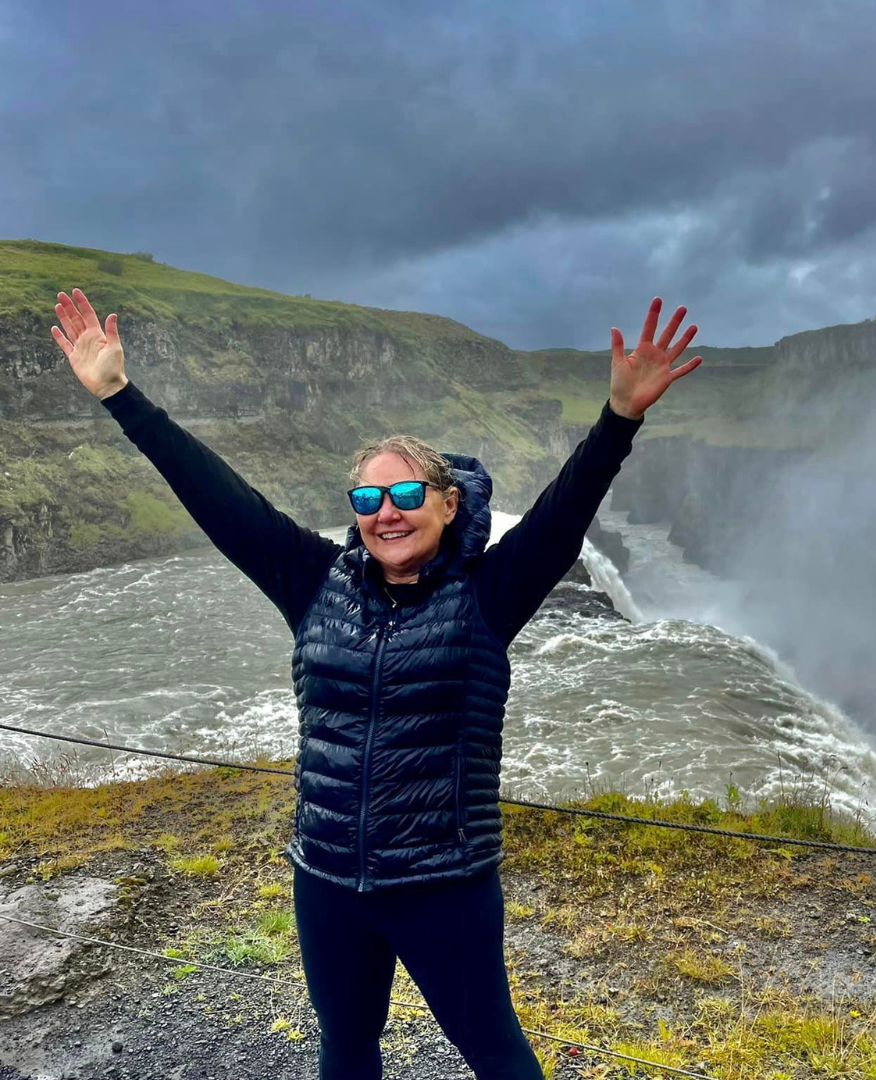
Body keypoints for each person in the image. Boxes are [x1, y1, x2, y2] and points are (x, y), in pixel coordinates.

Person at [50, 287, 703, 1079]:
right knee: (347, 1046)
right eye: (368, 498)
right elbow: (219, 500)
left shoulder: (487, 597)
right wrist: (122, 396)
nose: (386, 513)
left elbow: (565, 516)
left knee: (494, 1051)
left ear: (448, 502)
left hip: (442, 883)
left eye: (405, 494)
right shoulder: (314, 582)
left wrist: (619, 419)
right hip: (326, 877)